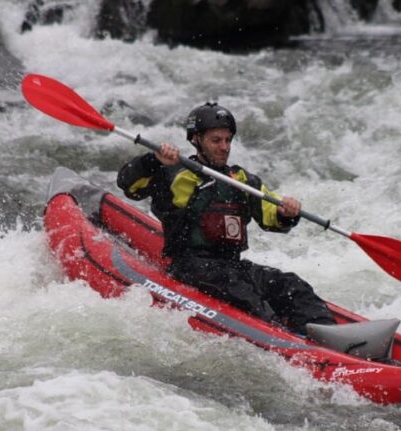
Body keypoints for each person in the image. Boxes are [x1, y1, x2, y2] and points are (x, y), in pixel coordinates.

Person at [117, 102, 335, 335]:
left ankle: (331, 337)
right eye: (216, 140)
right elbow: (128, 185)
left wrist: (286, 212)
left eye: (227, 140)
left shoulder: (241, 180)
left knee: (291, 285)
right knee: (244, 294)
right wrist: (153, 160)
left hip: (233, 266)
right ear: (196, 140)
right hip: (190, 267)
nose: (224, 147)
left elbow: (270, 215)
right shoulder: (174, 173)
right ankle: (285, 340)